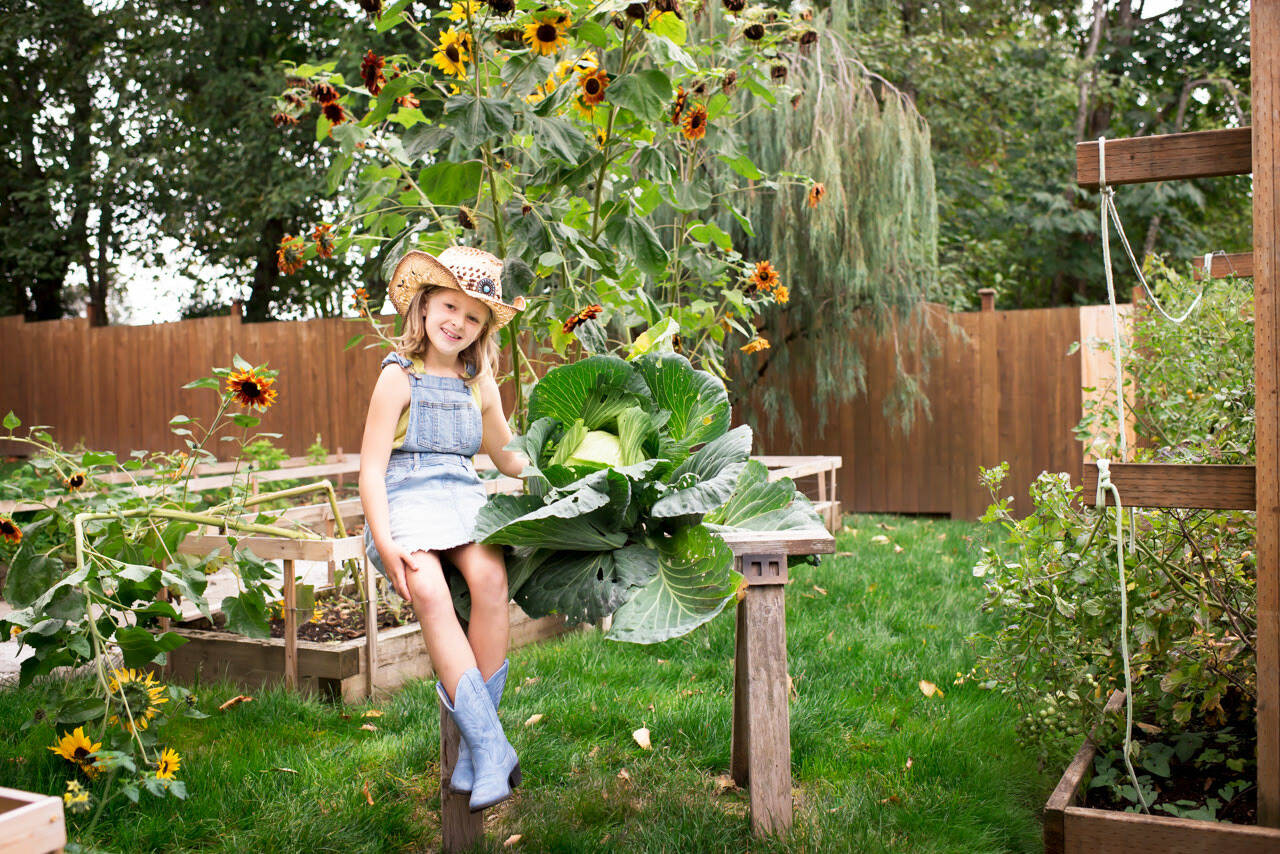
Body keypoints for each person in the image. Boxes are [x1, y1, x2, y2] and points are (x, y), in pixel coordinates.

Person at [358, 246, 528, 812]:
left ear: (483, 329)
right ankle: (491, 746)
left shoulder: (479, 382)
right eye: (449, 306)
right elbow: (370, 471)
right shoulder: (397, 378)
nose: (457, 322)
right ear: (425, 305)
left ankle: (477, 754)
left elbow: (505, 457)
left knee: (489, 579)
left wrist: (561, 470)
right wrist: (385, 543)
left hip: (461, 494)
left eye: (473, 316)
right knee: (428, 587)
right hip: (404, 498)